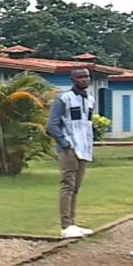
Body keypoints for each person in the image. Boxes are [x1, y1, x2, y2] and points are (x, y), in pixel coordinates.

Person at [47, 68, 96, 239]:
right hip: (69, 148)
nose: (84, 79)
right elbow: (51, 125)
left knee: (76, 187)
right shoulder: (63, 98)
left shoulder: (90, 99)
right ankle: (66, 225)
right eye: (80, 77)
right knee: (67, 185)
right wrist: (65, 143)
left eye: (86, 76)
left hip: (84, 148)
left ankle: (73, 223)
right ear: (72, 79)